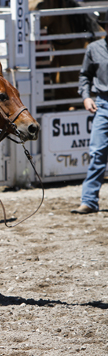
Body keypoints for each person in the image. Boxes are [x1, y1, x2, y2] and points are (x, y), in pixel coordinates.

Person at [71, 11, 108, 214]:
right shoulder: (94, 49)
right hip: (103, 104)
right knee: (97, 153)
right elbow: (84, 75)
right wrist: (85, 96)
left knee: (98, 153)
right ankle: (89, 200)